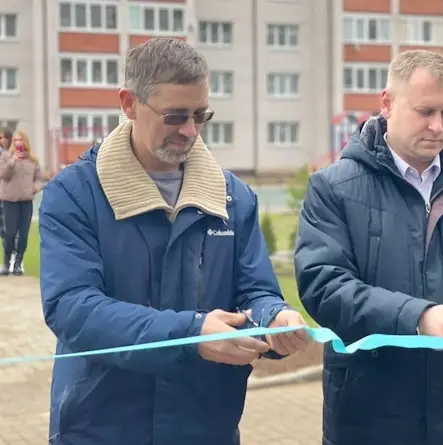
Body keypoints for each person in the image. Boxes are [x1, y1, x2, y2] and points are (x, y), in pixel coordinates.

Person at [38, 38, 311, 445]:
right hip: (100, 429)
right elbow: (73, 308)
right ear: (129, 104)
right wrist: (192, 333)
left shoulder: (233, 198)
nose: (190, 130)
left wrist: (274, 317)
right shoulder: (75, 194)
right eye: (175, 115)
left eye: (201, 115)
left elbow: (254, 289)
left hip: (205, 428)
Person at [294, 49, 443, 445]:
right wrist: (417, 317)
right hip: (369, 411)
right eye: (425, 111)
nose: (438, 126)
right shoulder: (334, 187)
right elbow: (325, 287)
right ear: (387, 103)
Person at [0, 130, 44, 275]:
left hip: (25, 201)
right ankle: (7, 264)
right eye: (16, 140)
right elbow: (3, 175)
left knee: (23, 235)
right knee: (9, 234)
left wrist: (33, 189)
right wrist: (12, 162)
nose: (18, 143)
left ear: (26, 142)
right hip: (9, 200)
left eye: (21, 140)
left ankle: (18, 263)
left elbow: (39, 178)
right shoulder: (6, 157)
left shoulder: (33, 160)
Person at [0, 128, 11, 241]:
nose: (2, 140)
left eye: (3, 137)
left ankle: (11, 251)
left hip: (6, 194)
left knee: (6, 226)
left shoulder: (11, 154)